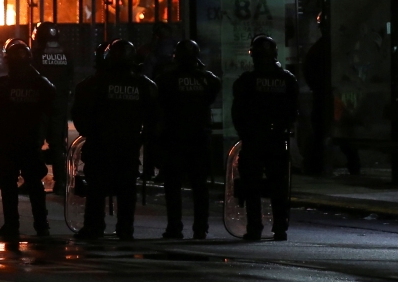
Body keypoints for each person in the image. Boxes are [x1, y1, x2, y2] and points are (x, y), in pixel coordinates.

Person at [72, 39, 157, 241]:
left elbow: (79, 115)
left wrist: (92, 133)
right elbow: (154, 119)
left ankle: (93, 228)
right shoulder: (144, 85)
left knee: (96, 191)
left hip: (99, 146)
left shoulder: (92, 84)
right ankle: (125, 230)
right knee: (127, 192)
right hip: (128, 148)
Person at [0, 39, 55, 239]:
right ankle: (42, 226)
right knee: (34, 184)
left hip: (7, 144)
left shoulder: (1, 85)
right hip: (31, 143)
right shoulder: (42, 85)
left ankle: (12, 225)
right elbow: (53, 111)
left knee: (8, 185)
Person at [232, 35, 298, 241]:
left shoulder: (247, 81)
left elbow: (237, 112)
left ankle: (254, 228)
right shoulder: (287, 79)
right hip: (277, 139)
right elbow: (293, 111)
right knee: (278, 185)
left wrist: (245, 134)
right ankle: (280, 228)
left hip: (254, 140)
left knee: (251, 186)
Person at [154, 39, 220, 239]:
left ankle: (174, 227)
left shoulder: (166, 79)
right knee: (200, 186)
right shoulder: (208, 79)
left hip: (174, 138)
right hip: (199, 138)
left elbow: (160, 107)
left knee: (172, 186)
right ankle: (200, 228)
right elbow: (211, 93)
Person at [302, 12, 359, 175]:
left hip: (326, 97)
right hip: (335, 96)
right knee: (341, 134)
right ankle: (352, 165)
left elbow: (309, 72)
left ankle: (318, 167)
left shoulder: (320, 49)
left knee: (324, 133)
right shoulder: (338, 48)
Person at [31, 22, 74, 194]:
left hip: (39, 105)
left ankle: (33, 180)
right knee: (57, 144)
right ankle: (61, 182)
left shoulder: (35, 54)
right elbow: (70, 77)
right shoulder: (66, 54)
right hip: (59, 104)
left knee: (35, 143)